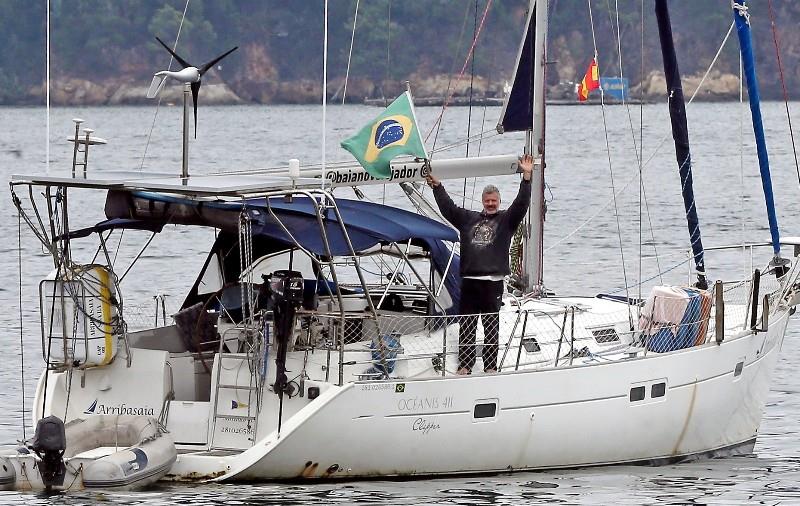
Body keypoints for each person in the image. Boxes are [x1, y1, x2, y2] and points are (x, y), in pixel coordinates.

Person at [425, 154, 533, 375]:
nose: (491, 204)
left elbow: (521, 204)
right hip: (470, 283)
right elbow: (449, 209)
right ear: (482, 201)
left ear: (499, 202)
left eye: (494, 201)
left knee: (491, 327)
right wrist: (437, 187)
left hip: (492, 284)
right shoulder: (468, 219)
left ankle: (491, 366)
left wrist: (527, 177)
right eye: (487, 200)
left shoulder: (506, 220)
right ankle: (465, 365)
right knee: (467, 325)